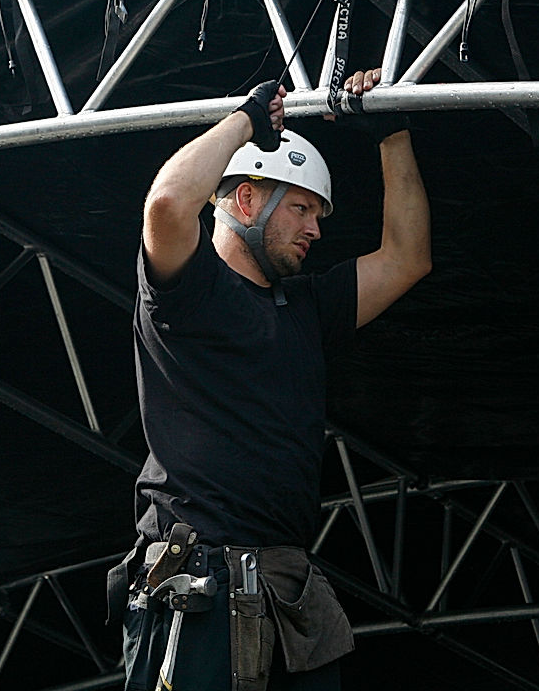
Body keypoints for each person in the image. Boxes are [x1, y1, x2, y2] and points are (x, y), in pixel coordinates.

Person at [115, 68, 431, 691]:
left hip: (286, 590)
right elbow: (167, 203)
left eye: (317, 213)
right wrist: (246, 124)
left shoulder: (308, 307)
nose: (316, 228)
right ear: (248, 199)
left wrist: (391, 133)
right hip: (196, 585)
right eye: (302, 208)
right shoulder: (187, 288)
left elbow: (407, 258)